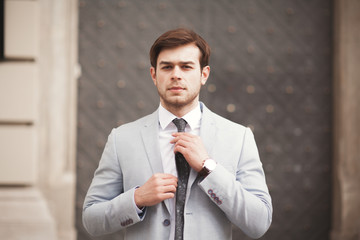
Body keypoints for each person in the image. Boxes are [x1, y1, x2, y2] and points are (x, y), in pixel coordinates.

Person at [82, 28, 272, 240]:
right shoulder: (122, 139)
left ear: (204, 74)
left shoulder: (238, 137)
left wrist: (209, 168)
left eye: (186, 66)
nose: (176, 74)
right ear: (154, 75)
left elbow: (259, 222)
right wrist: (137, 198)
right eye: (167, 67)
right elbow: (91, 219)